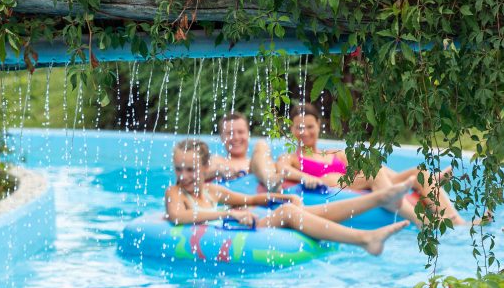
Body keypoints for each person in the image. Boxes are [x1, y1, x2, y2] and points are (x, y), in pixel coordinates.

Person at [166, 139, 410, 255]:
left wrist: (282, 198)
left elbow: (249, 200)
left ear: (205, 167)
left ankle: (378, 198)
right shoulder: (175, 192)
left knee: (299, 210)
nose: (183, 175)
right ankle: (364, 238)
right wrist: (227, 213)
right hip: (235, 228)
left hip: (242, 224)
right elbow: (178, 216)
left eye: (190, 169)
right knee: (289, 215)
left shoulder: (212, 190)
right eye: (179, 169)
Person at [275, 102, 471, 227]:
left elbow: (376, 169)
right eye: (299, 127)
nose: (305, 132)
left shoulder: (335, 154)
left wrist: (408, 179)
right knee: (370, 175)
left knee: (418, 172)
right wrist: (306, 177)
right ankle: (423, 222)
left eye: (310, 126)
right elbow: (282, 169)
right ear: (291, 129)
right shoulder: (292, 157)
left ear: (318, 125)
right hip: (333, 186)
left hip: (356, 181)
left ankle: (457, 221)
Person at [209, 112, 282, 190]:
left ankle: (269, 180)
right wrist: (219, 171)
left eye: (240, 132)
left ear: (248, 134)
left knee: (261, 145)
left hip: (260, 188)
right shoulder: (216, 161)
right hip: (231, 195)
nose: (236, 137)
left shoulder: (261, 161)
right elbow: (200, 174)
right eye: (230, 133)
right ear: (222, 137)